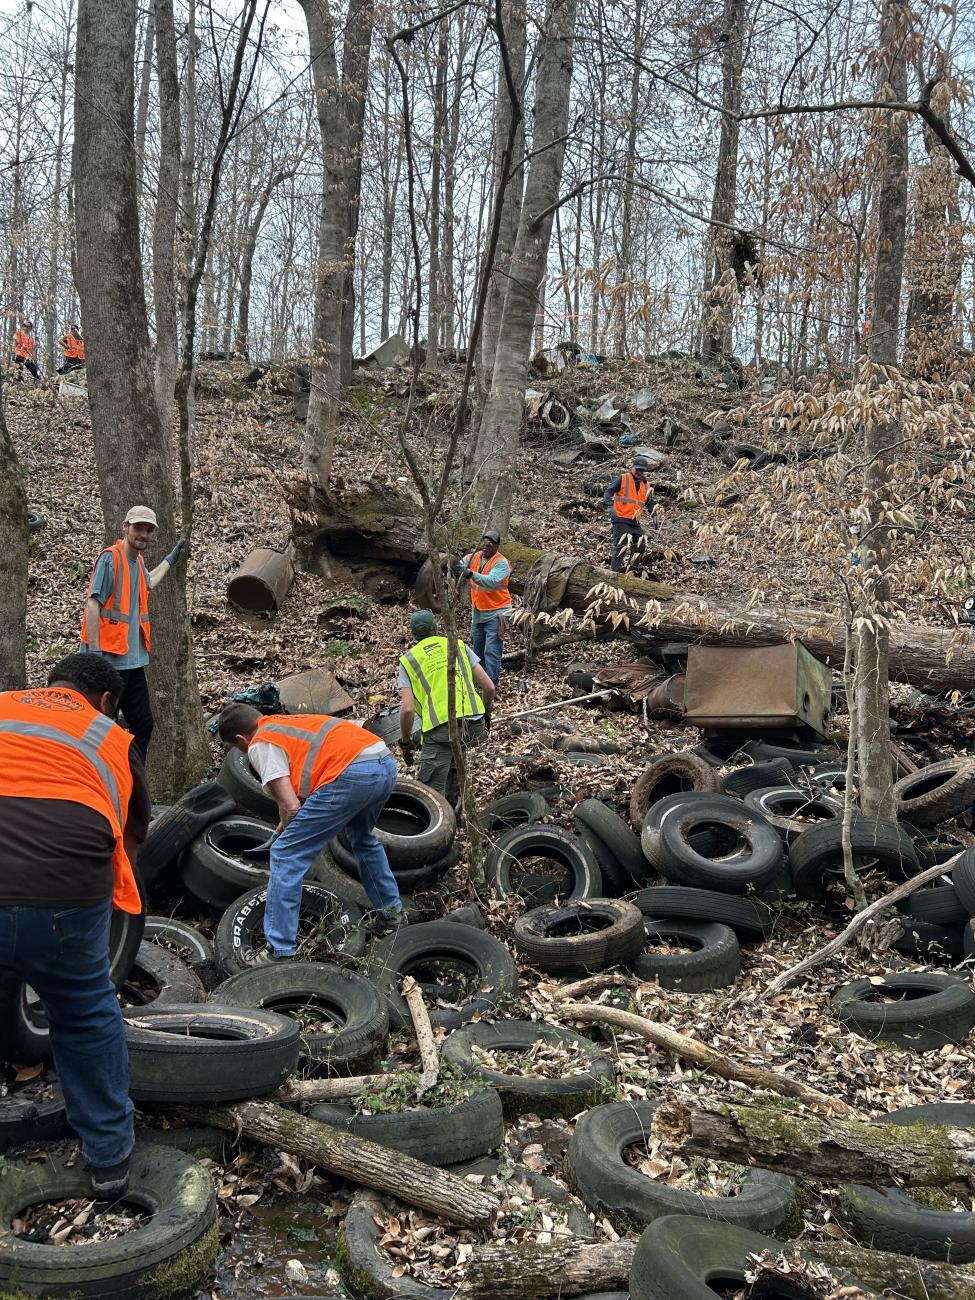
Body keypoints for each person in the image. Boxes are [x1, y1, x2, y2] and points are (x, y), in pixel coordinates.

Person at [0, 653, 150, 1198]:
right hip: (63, 895)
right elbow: (130, 841)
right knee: (84, 1010)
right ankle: (109, 1160)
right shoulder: (112, 738)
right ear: (108, 701)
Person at [217, 703, 404, 960]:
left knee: (285, 854)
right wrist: (284, 826)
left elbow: (290, 806)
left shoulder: (261, 742)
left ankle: (279, 950)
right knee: (362, 840)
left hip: (351, 775)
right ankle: (391, 916)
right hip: (383, 763)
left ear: (241, 739)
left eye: (238, 748)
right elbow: (300, 798)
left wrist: (284, 835)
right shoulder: (288, 724)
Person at [80, 506, 187, 761]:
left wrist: (170, 560)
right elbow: (93, 604)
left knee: (143, 723)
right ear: (125, 527)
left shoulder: (137, 562)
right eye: (138, 528)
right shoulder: (111, 559)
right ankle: (99, 774)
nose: (143, 534)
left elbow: (149, 581)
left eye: (148, 530)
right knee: (102, 725)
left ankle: (131, 774)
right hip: (108, 661)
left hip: (132, 661)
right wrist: (94, 655)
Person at [398, 608, 496, 797]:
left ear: (413, 634)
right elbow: (489, 687)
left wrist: (406, 742)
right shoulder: (457, 645)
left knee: (431, 794)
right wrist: (486, 713)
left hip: (441, 729)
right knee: (455, 763)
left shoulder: (408, 660)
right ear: (436, 628)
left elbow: (407, 709)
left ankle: (442, 811)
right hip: (474, 725)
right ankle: (459, 805)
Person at [459, 528, 511, 689]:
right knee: (477, 651)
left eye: (492, 542)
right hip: (478, 613)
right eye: (485, 540)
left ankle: (491, 686)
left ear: (497, 546)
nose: (487, 544)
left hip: (497, 613)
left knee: (491, 650)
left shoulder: (502, 563)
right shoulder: (473, 557)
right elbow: (457, 564)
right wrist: (450, 566)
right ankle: (479, 684)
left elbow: (490, 581)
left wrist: (469, 574)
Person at [603, 455, 656, 573]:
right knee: (620, 546)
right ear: (632, 467)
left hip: (634, 521)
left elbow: (649, 502)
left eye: (642, 470)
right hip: (620, 518)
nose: (639, 472)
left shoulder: (646, 484)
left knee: (640, 545)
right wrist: (611, 507)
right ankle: (614, 573)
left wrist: (654, 515)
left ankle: (631, 572)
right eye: (637, 469)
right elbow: (608, 492)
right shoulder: (623, 478)